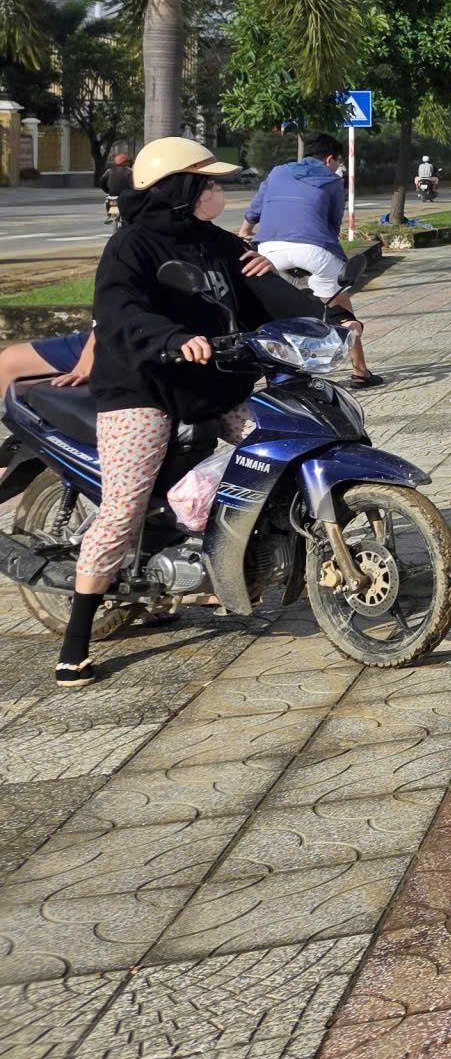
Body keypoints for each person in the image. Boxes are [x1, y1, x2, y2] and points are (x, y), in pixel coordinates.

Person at [71, 137, 314, 688]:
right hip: (143, 385)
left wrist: (320, 309)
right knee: (123, 508)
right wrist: (174, 337)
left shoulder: (215, 243)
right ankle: (75, 642)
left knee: (283, 442)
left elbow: (259, 298)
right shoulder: (131, 246)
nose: (219, 192)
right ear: (180, 190)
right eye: (209, 184)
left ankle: (242, 555)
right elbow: (118, 311)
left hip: (211, 383)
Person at [241, 143, 383, 387]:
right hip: (314, 250)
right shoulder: (332, 180)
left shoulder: (277, 171)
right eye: (338, 162)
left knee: (277, 314)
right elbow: (333, 223)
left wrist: (245, 231)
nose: (338, 167)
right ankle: (360, 373)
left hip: (270, 250)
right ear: (329, 159)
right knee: (342, 312)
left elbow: (257, 206)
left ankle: (283, 376)